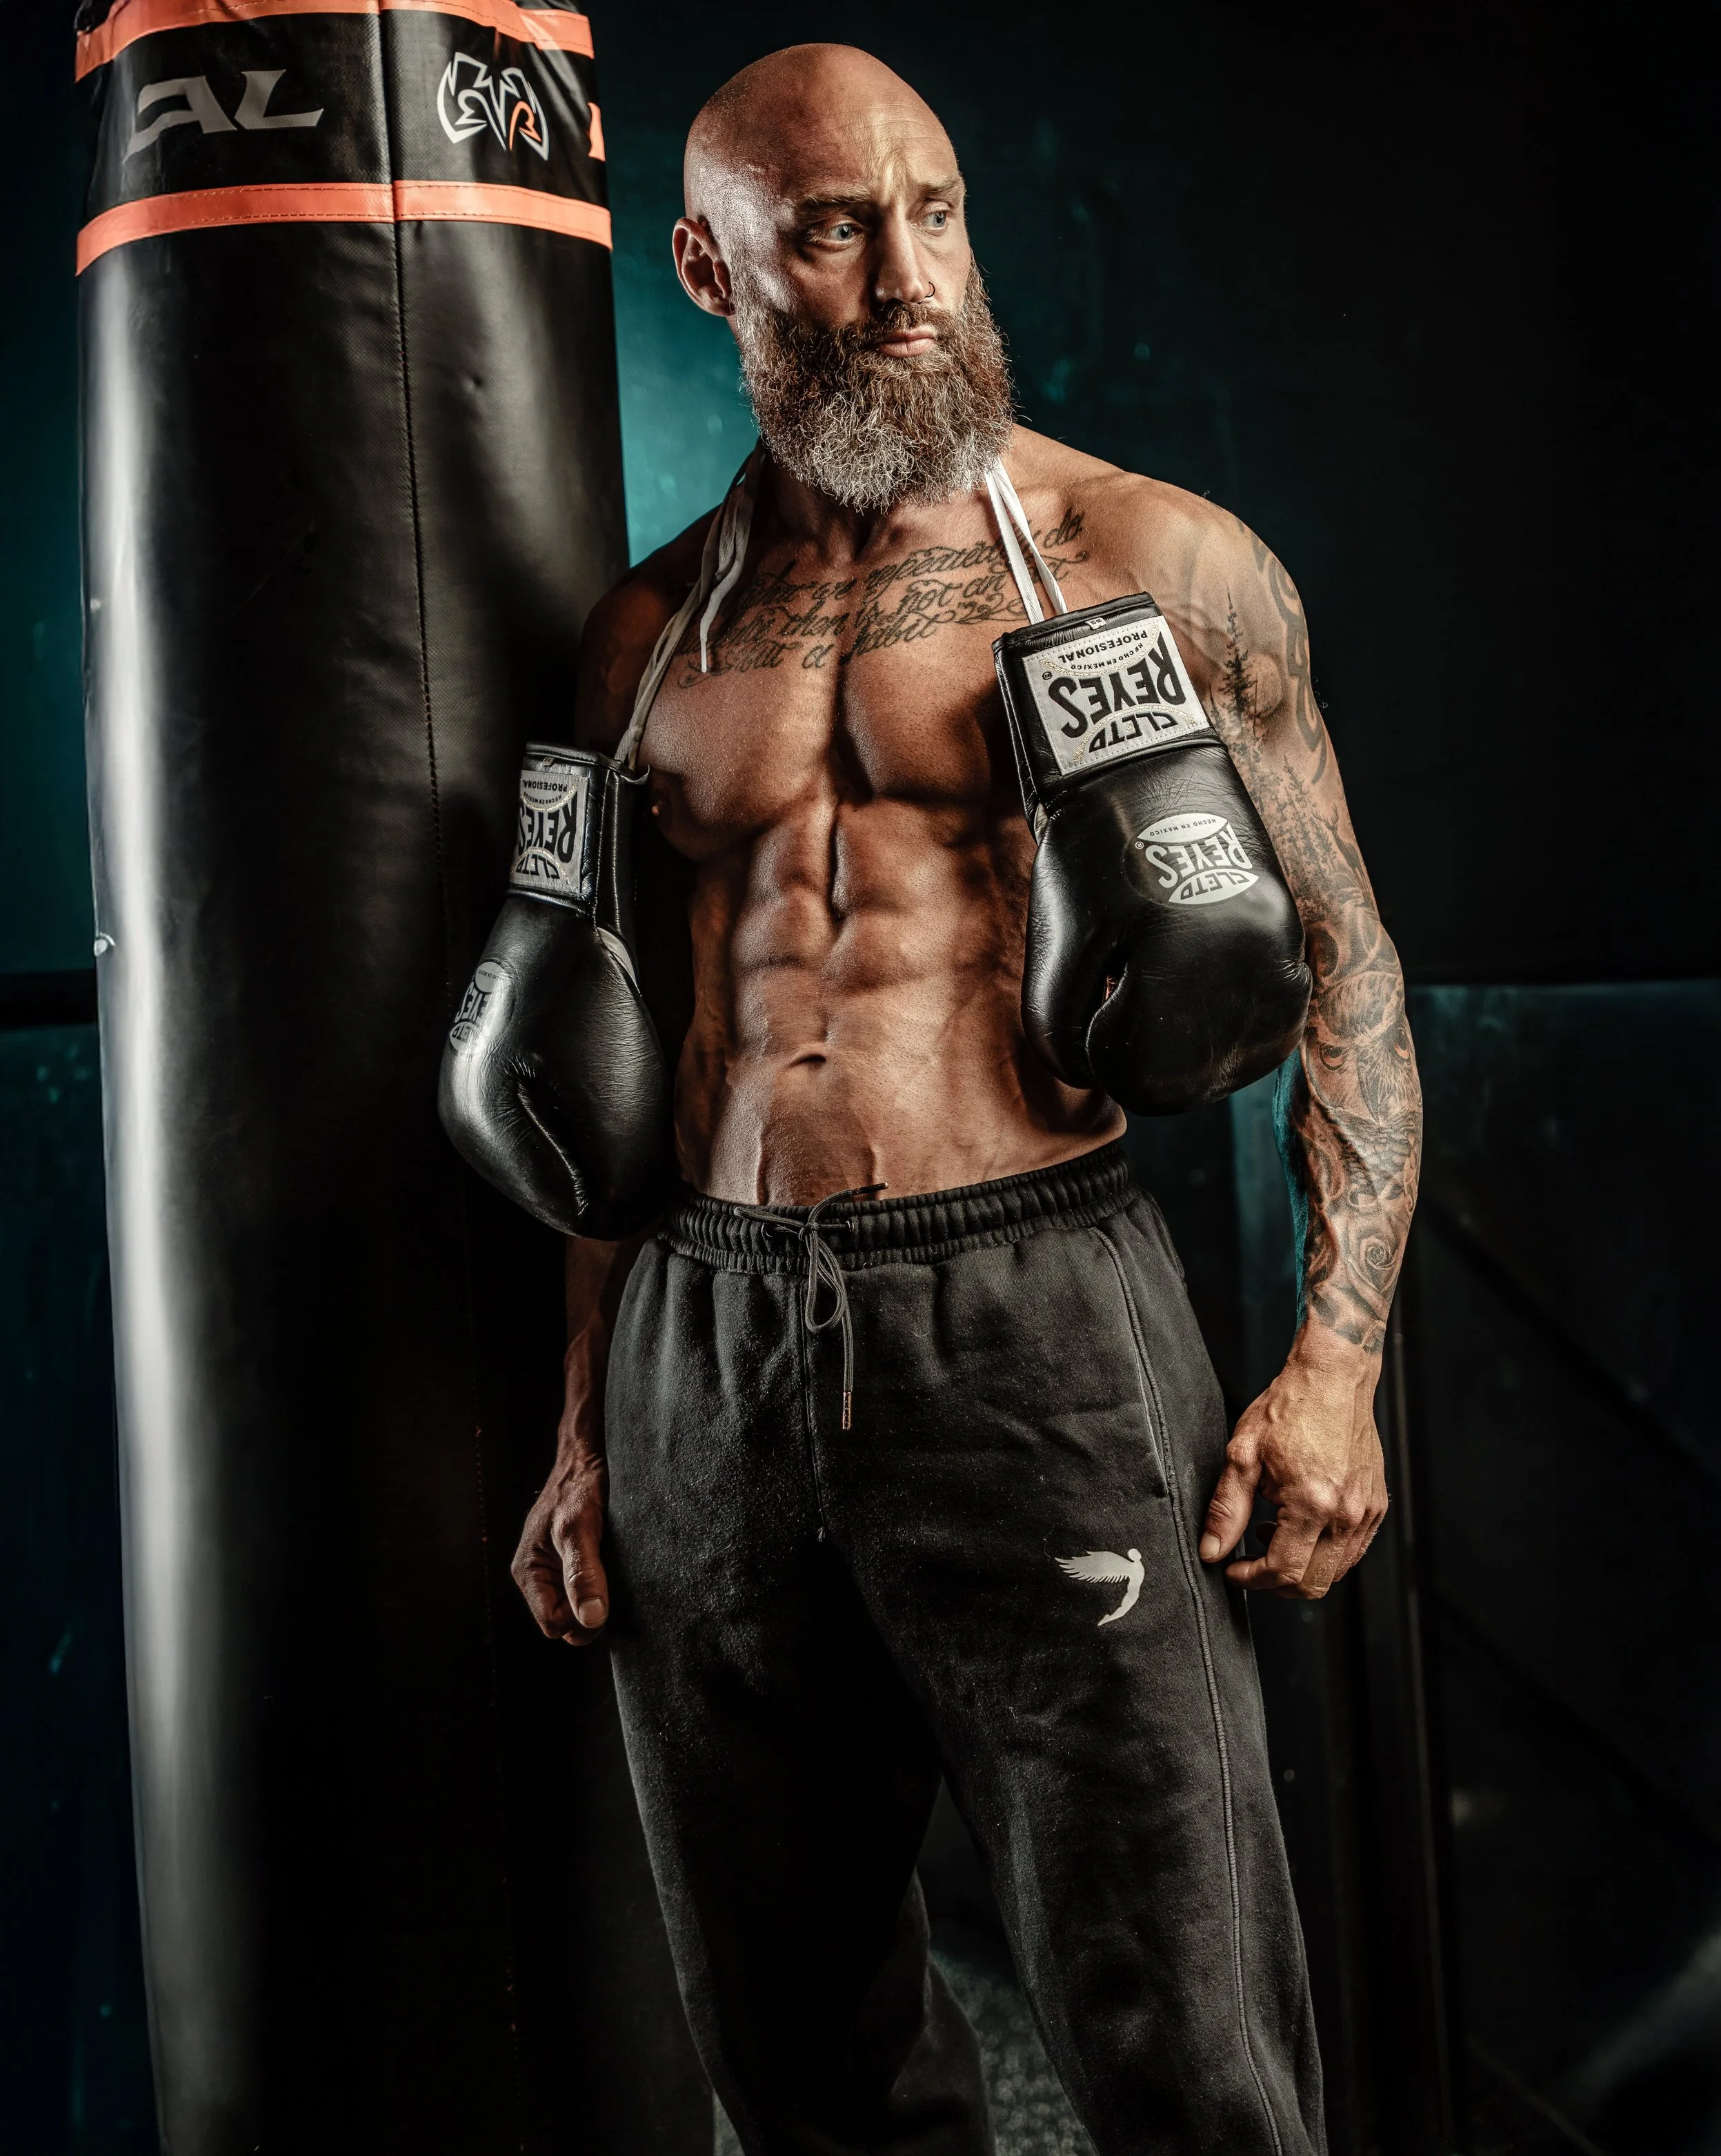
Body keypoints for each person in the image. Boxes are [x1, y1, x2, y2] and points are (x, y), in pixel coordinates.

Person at [511, 43, 1421, 2156]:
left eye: (932, 209)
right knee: (794, 2046)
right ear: (709, 267)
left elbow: (1352, 974)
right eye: (832, 228)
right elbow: (601, 1071)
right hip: (702, 1345)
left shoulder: (1149, 561)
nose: (909, 275)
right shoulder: (647, 637)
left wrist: (1335, 1358)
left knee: (1178, 2031)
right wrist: (581, 1420)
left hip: (1023, 1313)